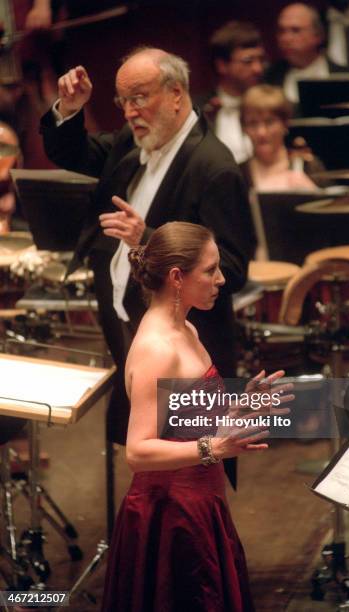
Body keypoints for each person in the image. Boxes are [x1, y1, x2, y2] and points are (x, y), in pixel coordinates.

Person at [40, 47, 255, 462]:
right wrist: (68, 108)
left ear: (176, 93)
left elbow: (232, 268)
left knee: (183, 466)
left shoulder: (215, 167)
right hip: (129, 329)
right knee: (141, 458)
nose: (128, 112)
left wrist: (148, 239)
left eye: (139, 97)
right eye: (123, 101)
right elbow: (75, 154)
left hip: (182, 355)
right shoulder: (133, 140)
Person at [101, 221, 293, 611]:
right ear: (176, 276)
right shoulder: (157, 348)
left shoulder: (185, 327)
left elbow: (185, 417)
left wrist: (239, 406)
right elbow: (138, 452)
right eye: (210, 270)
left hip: (201, 504)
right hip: (172, 518)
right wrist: (216, 446)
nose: (221, 279)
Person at [198, 21, 267, 163]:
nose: (258, 69)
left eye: (261, 60)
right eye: (248, 61)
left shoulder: (273, 104)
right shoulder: (198, 110)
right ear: (222, 65)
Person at [264, 2, 349, 106]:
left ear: (318, 35)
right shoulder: (268, 78)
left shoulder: (346, 78)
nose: (286, 38)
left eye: (295, 30)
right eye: (281, 31)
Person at [239, 85, 319, 192]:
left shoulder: (309, 166)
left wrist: (311, 191)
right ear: (244, 128)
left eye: (269, 122)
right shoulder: (237, 174)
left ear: (285, 124)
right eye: (253, 123)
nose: (261, 132)